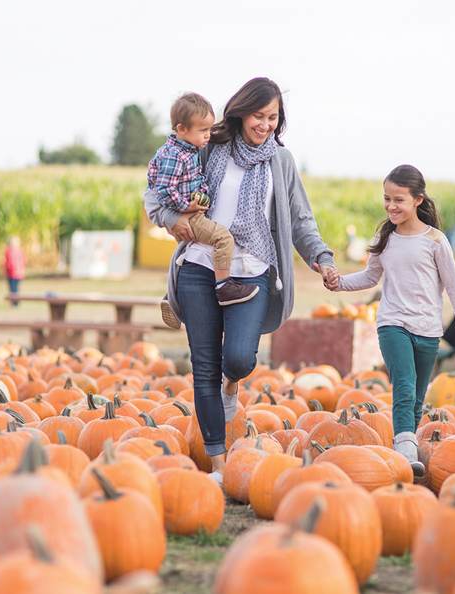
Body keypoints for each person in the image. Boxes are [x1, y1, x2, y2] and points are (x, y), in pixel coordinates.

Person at [144, 77, 337, 485]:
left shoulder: (280, 162)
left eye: (273, 118)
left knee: (238, 359)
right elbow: (155, 190)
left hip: (253, 270)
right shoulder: (208, 145)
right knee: (204, 367)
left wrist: (321, 258)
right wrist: (173, 219)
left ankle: (233, 384)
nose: (265, 124)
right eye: (258, 116)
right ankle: (218, 464)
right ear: (241, 111)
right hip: (199, 265)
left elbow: (300, 220)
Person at [323, 165, 455, 477]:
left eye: (399, 200)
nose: (391, 206)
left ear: (418, 200)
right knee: (404, 386)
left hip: (428, 330)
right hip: (392, 323)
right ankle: (406, 452)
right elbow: (371, 276)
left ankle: (403, 447)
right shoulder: (385, 237)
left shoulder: (435, 242)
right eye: (387, 199)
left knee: (418, 396)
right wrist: (338, 282)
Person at [148, 92, 259, 330]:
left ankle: (173, 297)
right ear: (181, 129)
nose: (208, 135)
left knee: (188, 250)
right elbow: (164, 189)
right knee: (222, 238)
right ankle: (223, 287)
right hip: (190, 214)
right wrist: (185, 208)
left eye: (209, 129)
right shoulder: (174, 156)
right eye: (202, 130)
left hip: (194, 211)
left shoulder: (188, 149)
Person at [4, 236, 26, 307]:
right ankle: (15, 302)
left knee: (13, 288)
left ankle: (14, 303)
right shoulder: (20, 250)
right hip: (20, 272)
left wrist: (9, 269)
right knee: (16, 288)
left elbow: (9, 263)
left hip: (12, 272)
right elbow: (25, 261)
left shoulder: (10, 250)